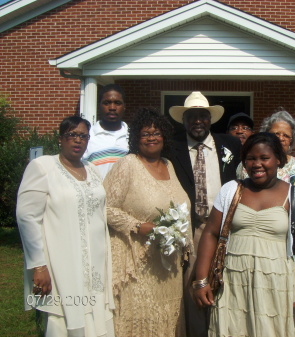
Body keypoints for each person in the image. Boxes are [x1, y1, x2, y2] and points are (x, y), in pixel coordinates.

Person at [193, 132, 295, 337]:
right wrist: (201, 280)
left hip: (276, 284)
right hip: (233, 283)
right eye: (251, 158)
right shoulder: (231, 190)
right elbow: (210, 233)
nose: (257, 164)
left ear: (278, 160)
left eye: (264, 158)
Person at [16, 116, 115, 337]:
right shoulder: (43, 167)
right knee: (64, 315)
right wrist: (38, 266)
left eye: (83, 136)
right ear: (60, 139)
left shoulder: (92, 170)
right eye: (72, 135)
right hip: (62, 262)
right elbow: (26, 216)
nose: (78, 140)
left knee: (97, 311)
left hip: (96, 262)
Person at [103, 108, 192, 337]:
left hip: (168, 265)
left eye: (156, 132)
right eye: (145, 134)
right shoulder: (128, 164)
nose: (151, 137)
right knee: (142, 319)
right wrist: (137, 226)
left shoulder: (169, 165)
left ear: (164, 136)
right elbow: (105, 208)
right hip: (137, 262)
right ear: (135, 138)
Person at [169, 91, 241, 337]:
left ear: (210, 119)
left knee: (227, 284)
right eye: (192, 116)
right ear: (184, 120)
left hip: (225, 228)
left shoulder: (230, 145)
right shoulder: (173, 147)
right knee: (194, 288)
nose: (197, 121)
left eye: (203, 116)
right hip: (193, 229)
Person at [237, 108, 295, 188]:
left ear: (291, 141)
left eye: (286, 135)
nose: (280, 138)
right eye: (276, 134)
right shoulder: (248, 164)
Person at [83, 84, 129, 179]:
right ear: (99, 105)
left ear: (124, 107)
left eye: (117, 103)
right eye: (107, 103)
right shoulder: (87, 136)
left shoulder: (133, 136)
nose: (112, 107)